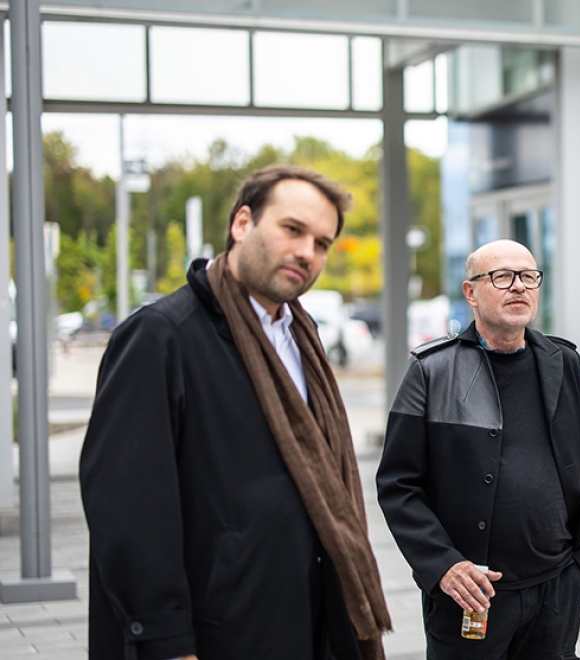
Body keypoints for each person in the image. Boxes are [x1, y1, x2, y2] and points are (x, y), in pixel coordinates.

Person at [79, 165, 392, 660]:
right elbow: (128, 509)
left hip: (307, 618)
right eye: (292, 229)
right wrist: (167, 643)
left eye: (322, 242)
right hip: (219, 630)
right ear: (242, 223)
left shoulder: (300, 337)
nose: (306, 252)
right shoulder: (163, 337)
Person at [378, 239, 580, 659]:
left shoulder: (564, 362)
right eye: (502, 277)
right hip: (471, 595)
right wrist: (442, 565)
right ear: (471, 292)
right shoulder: (432, 370)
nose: (518, 286)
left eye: (528, 276)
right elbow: (398, 485)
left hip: (556, 591)